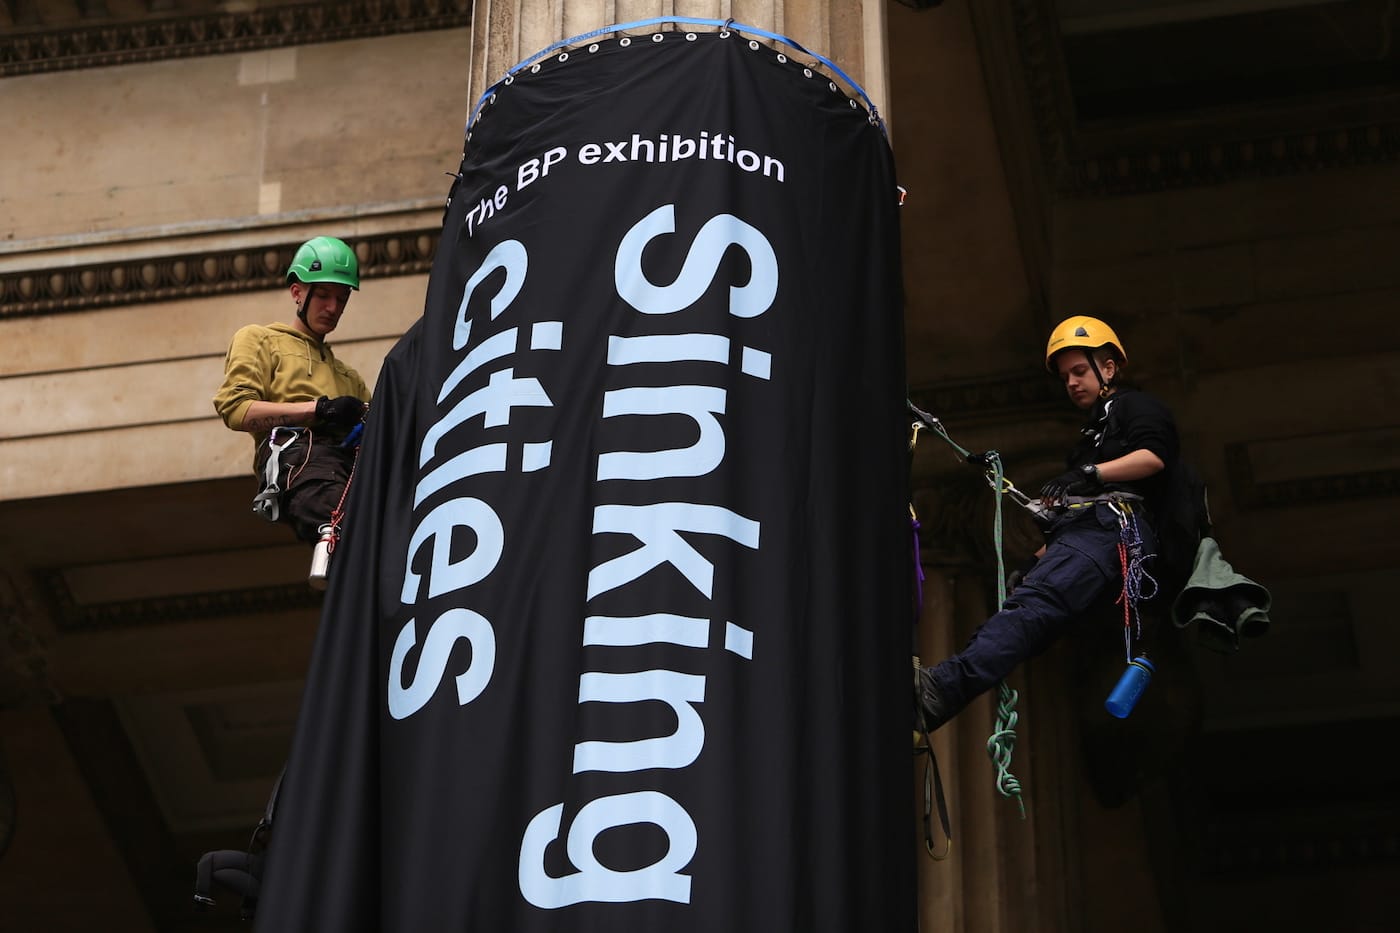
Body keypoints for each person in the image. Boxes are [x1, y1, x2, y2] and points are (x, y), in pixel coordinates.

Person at [917, 315, 1180, 733]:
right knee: (1029, 615)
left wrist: (1091, 474)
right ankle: (936, 701)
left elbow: (1154, 457)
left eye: (1080, 371)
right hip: (1093, 535)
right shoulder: (1091, 434)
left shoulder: (1134, 406)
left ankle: (940, 690)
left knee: (1034, 610)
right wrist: (1036, 561)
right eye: (1065, 377)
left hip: (1114, 530)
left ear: (1108, 367)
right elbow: (1076, 528)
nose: (1072, 382)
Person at [213, 235, 370, 545]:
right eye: (323, 294)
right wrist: (319, 409)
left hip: (349, 471)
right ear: (297, 292)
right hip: (304, 462)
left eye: (341, 298)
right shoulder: (260, 340)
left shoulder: (348, 377)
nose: (332, 307)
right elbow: (238, 410)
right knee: (351, 537)